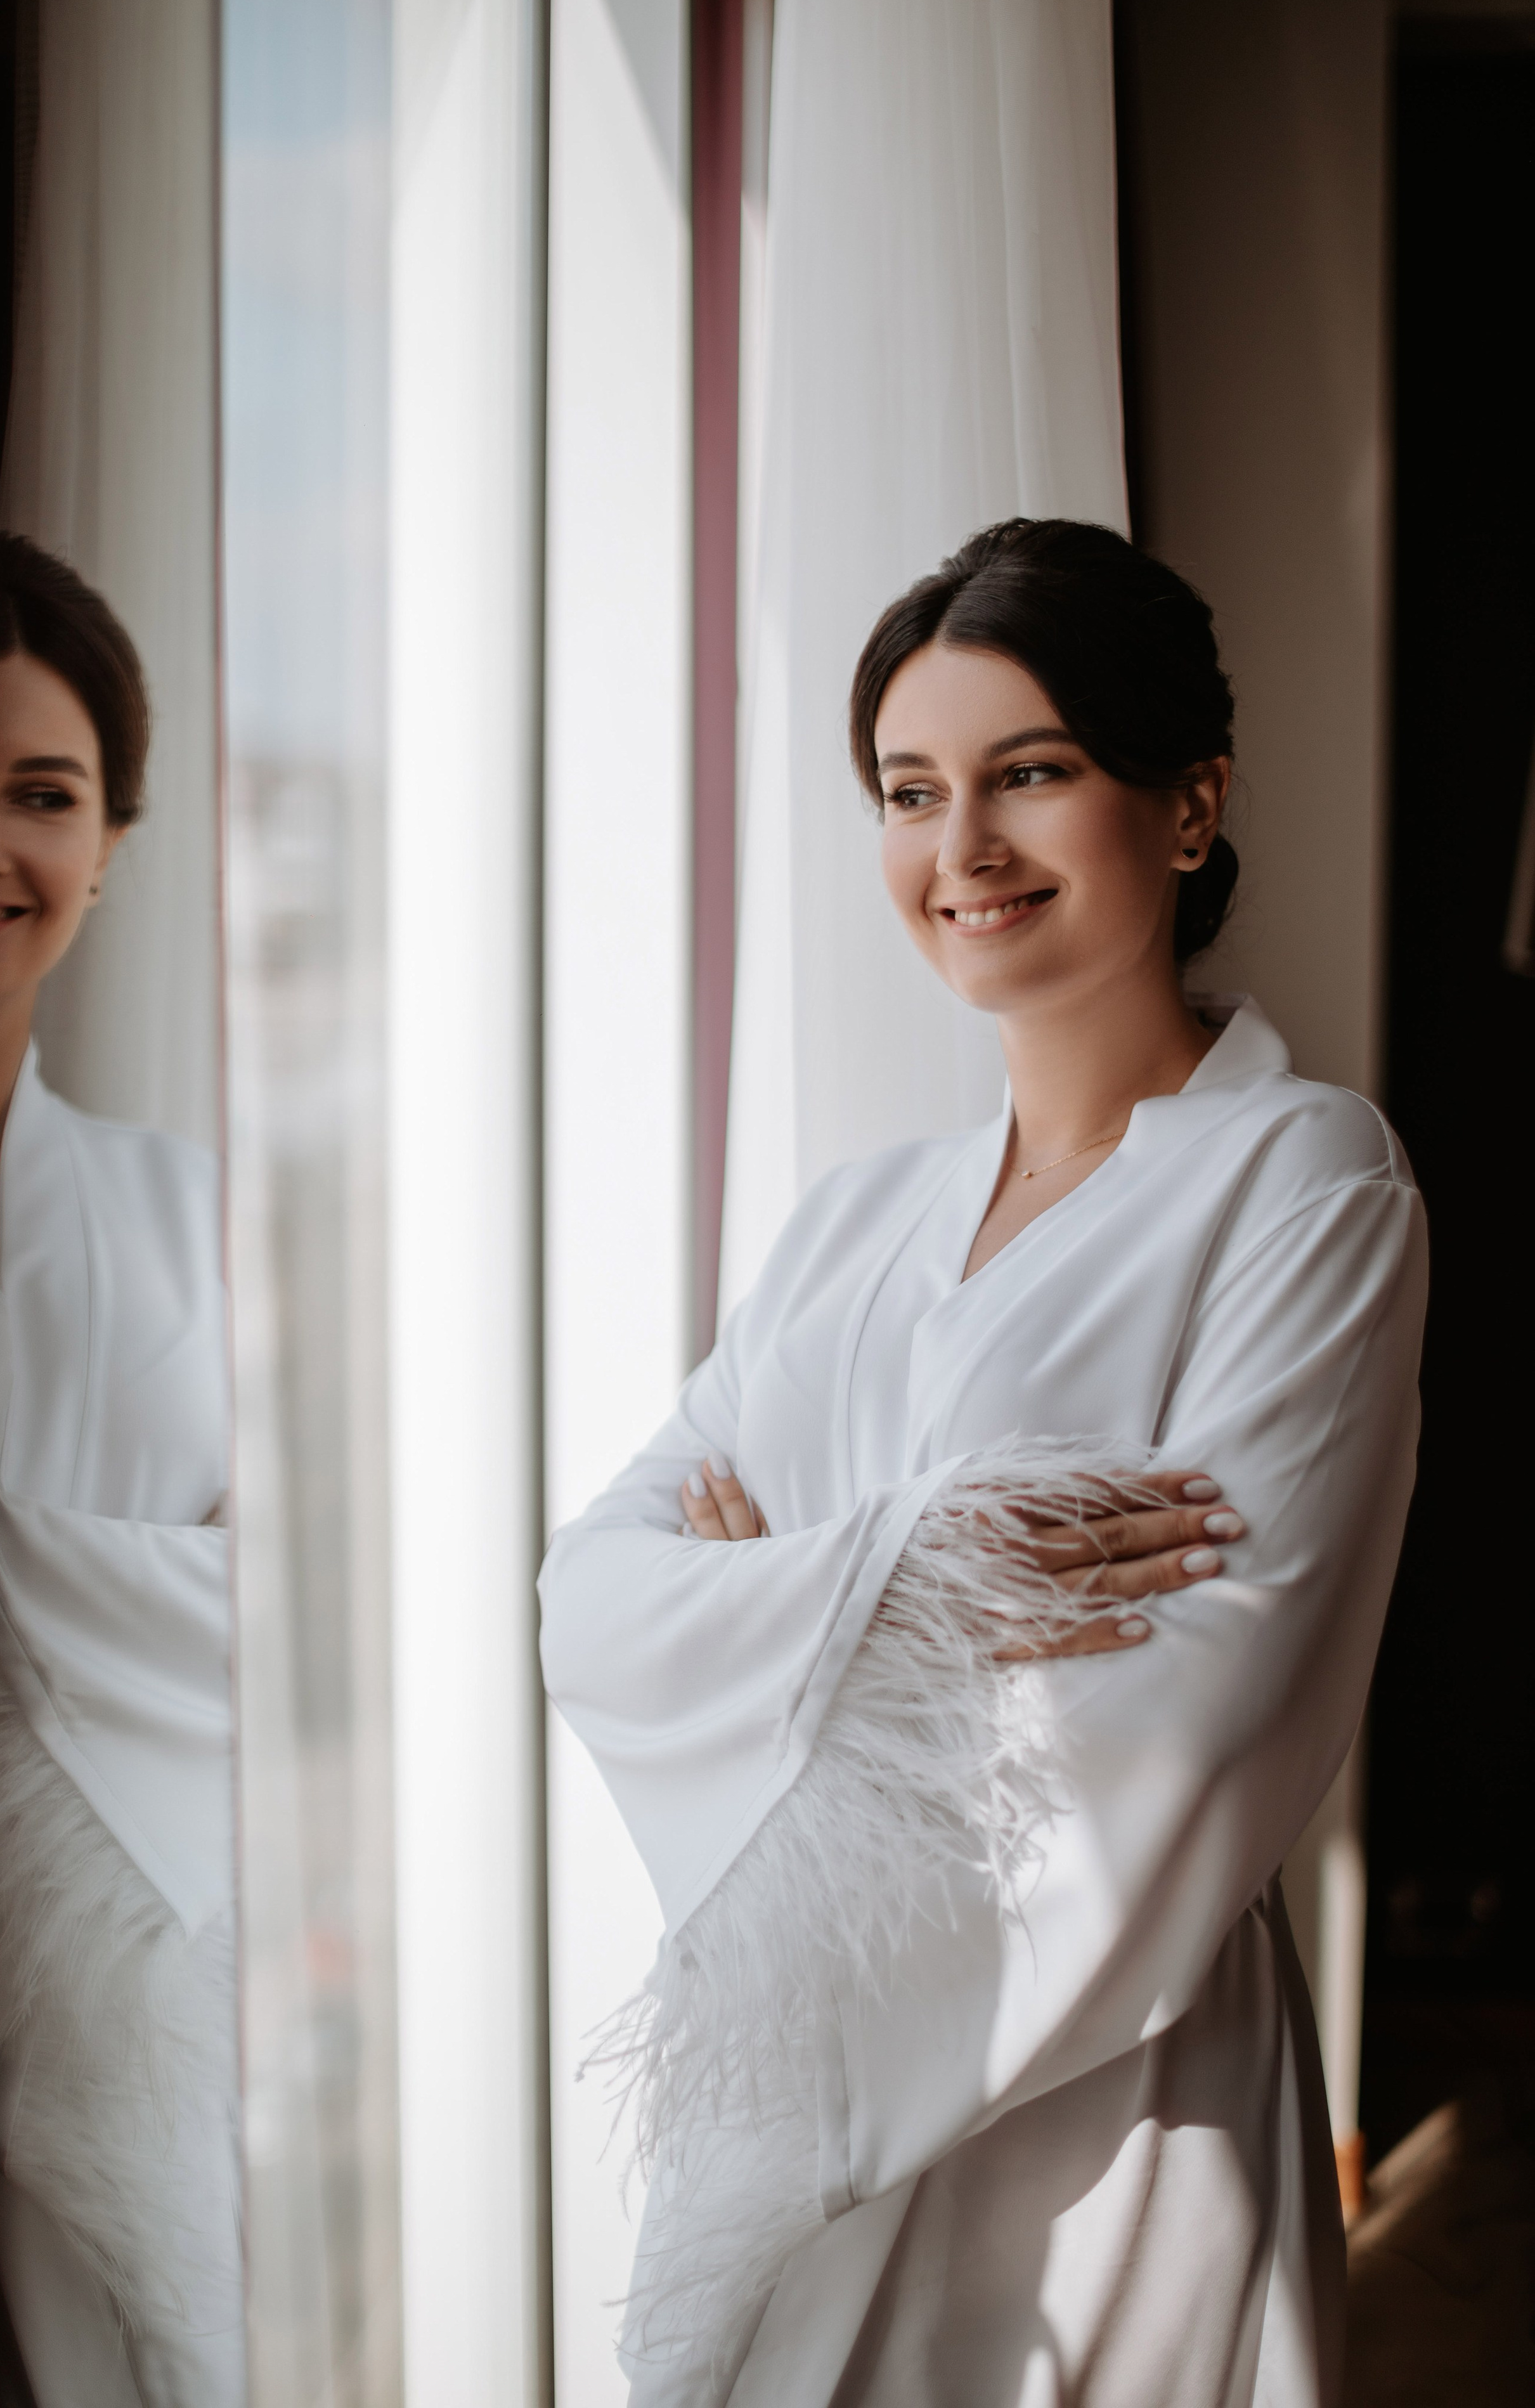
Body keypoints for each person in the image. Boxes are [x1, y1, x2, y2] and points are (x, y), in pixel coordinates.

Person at [541, 519, 1427, 2406]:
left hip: (1120, 2109)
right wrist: (930, 1567)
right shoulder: (854, 1223)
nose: (961, 854)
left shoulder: (1308, 1181)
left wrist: (776, 1592)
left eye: (1029, 773)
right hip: (792, 2135)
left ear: (1189, 808)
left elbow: (1194, 1713)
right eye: (910, 792)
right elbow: (590, 1606)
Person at [0, 535, 240, 2407]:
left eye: (43, 795)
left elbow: (296, 1662)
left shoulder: (191, 1224)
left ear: (110, 843)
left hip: (162, 2043)